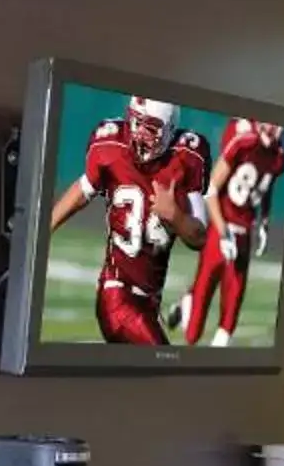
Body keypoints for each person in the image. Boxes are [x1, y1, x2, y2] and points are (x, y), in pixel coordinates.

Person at [45, 98, 208, 344]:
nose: (139, 133)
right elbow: (82, 190)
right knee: (164, 371)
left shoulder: (186, 157)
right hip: (117, 296)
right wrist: (40, 231)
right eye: (135, 122)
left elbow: (199, 237)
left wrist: (175, 215)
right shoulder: (111, 145)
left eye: (150, 127)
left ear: (170, 129)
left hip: (150, 303)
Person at [178, 117, 284, 345]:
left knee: (232, 309)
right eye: (269, 122)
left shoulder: (281, 154)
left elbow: (265, 185)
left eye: (277, 124)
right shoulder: (243, 141)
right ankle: (187, 305)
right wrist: (222, 232)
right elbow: (211, 189)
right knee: (197, 317)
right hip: (223, 225)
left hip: (244, 230)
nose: (271, 127)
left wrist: (264, 222)